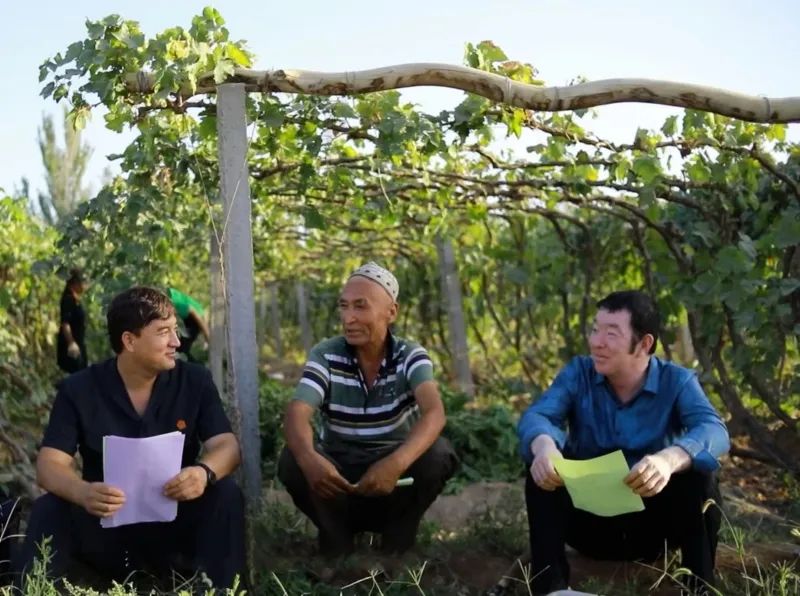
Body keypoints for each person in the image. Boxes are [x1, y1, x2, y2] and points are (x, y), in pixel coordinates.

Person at [13, 287, 245, 589]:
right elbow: (49, 465)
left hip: (176, 526)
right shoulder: (79, 389)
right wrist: (83, 492)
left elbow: (227, 446)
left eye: (175, 330)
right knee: (49, 507)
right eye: (163, 332)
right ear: (129, 340)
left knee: (225, 493)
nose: (176, 341)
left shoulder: (194, 381)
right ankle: (35, 588)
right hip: (107, 531)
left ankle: (223, 590)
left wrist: (203, 473)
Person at [517, 290, 730, 595]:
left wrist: (668, 460)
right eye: (595, 329)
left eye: (611, 333)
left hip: (654, 529)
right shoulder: (578, 373)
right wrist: (545, 446)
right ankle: (551, 588)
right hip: (588, 523)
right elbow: (538, 415)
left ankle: (699, 588)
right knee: (542, 468)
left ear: (644, 344)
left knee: (701, 475)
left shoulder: (677, 381)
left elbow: (714, 429)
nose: (597, 342)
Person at [279, 262, 458, 556]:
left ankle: (397, 545)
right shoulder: (326, 355)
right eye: (344, 306)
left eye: (360, 306)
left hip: (394, 482)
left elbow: (434, 413)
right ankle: (337, 542)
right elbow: (297, 414)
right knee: (292, 460)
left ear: (391, 312)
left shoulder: (410, 356)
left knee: (438, 455)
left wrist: (395, 463)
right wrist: (309, 459)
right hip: (337, 478)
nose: (349, 318)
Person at [57, 268, 88, 373]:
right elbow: (65, 323)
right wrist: (71, 343)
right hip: (72, 345)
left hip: (79, 342)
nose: (84, 286)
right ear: (75, 283)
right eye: (82, 282)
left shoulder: (75, 299)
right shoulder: (68, 299)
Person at [167, 287, 210, 362]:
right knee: (181, 347)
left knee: (182, 348)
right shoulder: (169, 301)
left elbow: (193, 311)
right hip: (191, 315)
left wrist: (207, 336)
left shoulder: (175, 305)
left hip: (195, 318)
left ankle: (196, 366)